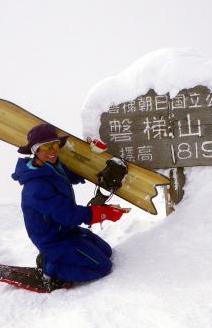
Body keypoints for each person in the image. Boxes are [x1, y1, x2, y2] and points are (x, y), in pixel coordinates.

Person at [12, 123, 127, 289]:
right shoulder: (36, 186)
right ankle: (50, 268)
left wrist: (94, 155)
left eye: (54, 145)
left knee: (106, 252)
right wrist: (102, 213)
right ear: (35, 151)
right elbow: (67, 214)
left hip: (67, 230)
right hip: (53, 239)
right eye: (45, 147)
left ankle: (58, 257)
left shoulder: (51, 166)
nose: (52, 151)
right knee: (102, 266)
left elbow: (73, 174)